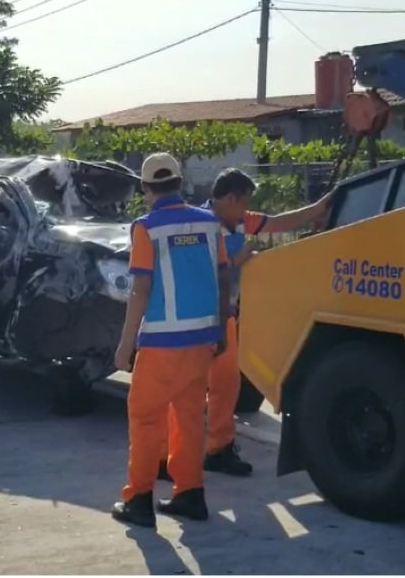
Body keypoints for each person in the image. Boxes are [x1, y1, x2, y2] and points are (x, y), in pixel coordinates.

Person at [157, 167, 335, 479]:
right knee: (187, 390)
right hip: (194, 318)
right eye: (243, 202)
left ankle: (219, 449)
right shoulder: (197, 223)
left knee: (226, 385)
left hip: (224, 316)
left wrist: (320, 207)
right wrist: (235, 260)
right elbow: (191, 269)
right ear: (227, 198)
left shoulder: (239, 220)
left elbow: (281, 222)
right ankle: (166, 456)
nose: (246, 211)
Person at [112, 152, 231, 528]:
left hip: (162, 343)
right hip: (202, 340)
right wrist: (223, 329)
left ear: (146, 188)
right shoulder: (211, 224)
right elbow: (224, 277)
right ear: (180, 182)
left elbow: (141, 288)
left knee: (146, 419)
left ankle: (140, 499)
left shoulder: (146, 228)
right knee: (190, 417)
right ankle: (190, 493)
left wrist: (125, 343)